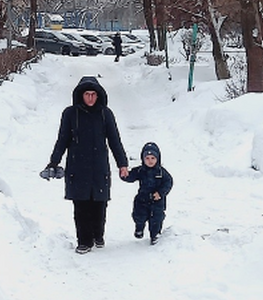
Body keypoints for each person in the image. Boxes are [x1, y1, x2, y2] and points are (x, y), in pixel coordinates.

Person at [46, 76, 129, 254]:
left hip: (99, 165)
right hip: (77, 165)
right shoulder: (70, 114)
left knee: (99, 203)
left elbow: (115, 140)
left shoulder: (105, 114)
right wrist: (54, 161)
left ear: (98, 96)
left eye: (93, 94)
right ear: (80, 95)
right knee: (81, 204)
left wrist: (122, 164)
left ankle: (98, 234)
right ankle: (84, 240)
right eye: (87, 94)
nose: (90, 98)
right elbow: (62, 139)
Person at [122, 142, 174, 245]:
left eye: (153, 158)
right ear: (143, 159)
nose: (150, 161)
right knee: (139, 215)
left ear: (158, 159)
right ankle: (139, 227)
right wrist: (124, 175)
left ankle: (155, 235)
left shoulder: (161, 172)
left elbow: (168, 182)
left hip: (157, 200)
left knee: (157, 218)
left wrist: (160, 193)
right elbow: (131, 177)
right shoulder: (140, 170)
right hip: (142, 199)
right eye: (147, 158)